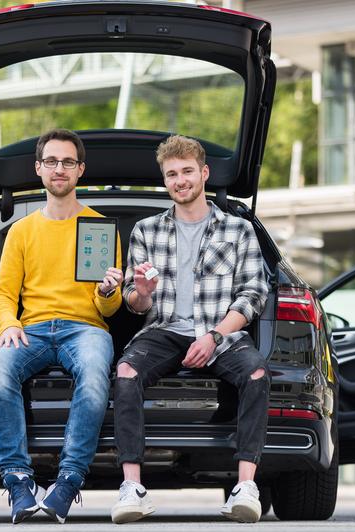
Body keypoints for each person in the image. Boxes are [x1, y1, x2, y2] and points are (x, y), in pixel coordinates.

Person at [111, 135, 270, 524]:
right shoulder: (147, 231)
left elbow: (253, 294)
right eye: (171, 175)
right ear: (165, 181)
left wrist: (214, 336)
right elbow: (135, 300)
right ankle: (132, 488)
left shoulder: (238, 229)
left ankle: (245, 487)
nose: (180, 181)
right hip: (164, 328)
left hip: (221, 330)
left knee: (257, 373)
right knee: (126, 372)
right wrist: (142, 294)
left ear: (204, 173)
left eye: (186, 172)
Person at [0, 128, 123, 524]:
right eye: (51, 161)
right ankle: (17, 481)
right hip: (30, 329)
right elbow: (2, 293)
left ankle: (68, 480)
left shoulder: (100, 228)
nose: (58, 168)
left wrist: (108, 291)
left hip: (85, 328)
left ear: (80, 170)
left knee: (96, 374)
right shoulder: (21, 230)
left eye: (66, 162)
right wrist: (8, 325)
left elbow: (108, 309)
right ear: (39, 168)